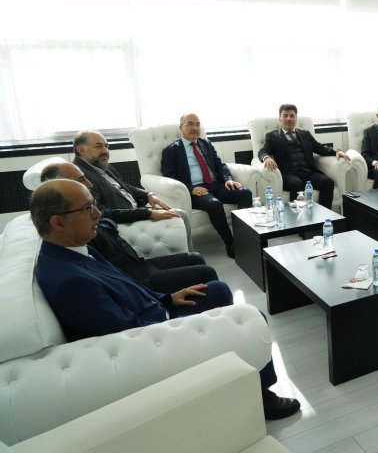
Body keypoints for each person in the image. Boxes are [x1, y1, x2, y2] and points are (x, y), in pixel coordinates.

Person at [30, 179, 300, 420]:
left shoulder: (74, 250)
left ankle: (233, 368)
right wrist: (173, 319)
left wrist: (167, 298)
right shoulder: (71, 282)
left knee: (217, 289)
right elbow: (125, 338)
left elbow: (126, 286)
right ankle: (261, 397)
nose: (98, 213)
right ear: (58, 222)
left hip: (155, 311)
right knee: (253, 318)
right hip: (156, 336)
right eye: (88, 208)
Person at [41, 162, 218, 294]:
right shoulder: (78, 230)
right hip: (138, 278)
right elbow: (115, 283)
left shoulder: (83, 216)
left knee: (196, 258)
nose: (89, 184)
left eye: (106, 145)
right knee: (210, 276)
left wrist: (148, 195)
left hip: (139, 264)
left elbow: (124, 189)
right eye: (81, 180)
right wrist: (166, 299)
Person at [73, 130, 193, 251]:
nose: (105, 151)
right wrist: (148, 213)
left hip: (136, 209)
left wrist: (148, 195)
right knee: (180, 215)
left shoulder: (102, 165)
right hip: (125, 219)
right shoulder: (80, 176)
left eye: (106, 146)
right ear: (81, 150)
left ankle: (186, 256)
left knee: (179, 214)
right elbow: (100, 212)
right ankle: (188, 256)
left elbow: (124, 186)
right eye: (98, 146)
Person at [161, 114, 253, 259]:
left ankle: (243, 238)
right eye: (190, 124)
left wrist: (228, 179)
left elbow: (220, 165)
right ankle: (230, 243)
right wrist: (191, 189)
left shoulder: (206, 144)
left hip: (215, 184)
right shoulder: (171, 151)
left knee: (245, 193)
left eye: (197, 124)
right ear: (181, 127)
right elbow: (169, 178)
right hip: (195, 190)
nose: (195, 128)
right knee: (214, 205)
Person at [258, 104, 351, 209]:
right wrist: (267, 158)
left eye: (292, 116)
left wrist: (336, 151)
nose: (288, 119)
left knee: (327, 182)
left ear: (296, 118)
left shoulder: (305, 134)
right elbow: (263, 151)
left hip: (308, 172)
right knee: (297, 184)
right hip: (289, 174)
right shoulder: (272, 136)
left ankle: (324, 214)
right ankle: (296, 217)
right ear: (280, 119)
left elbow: (319, 147)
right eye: (285, 116)